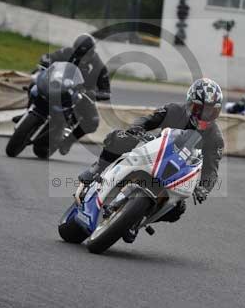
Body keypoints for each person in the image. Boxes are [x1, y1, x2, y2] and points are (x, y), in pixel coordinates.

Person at [77, 78, 225, 241]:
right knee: (120, 137)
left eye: (211, 111)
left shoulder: (215, 137)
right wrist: (137, 128)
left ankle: (137, 220)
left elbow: (212, 168)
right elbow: (148, 119)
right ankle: (96, 170)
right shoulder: (174, 110)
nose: (205, 115)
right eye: (200, 109)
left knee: (177, 210)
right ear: (190, 103)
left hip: (179, 171)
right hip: (155, 151)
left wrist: (204, 187)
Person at [39, 34, 111, 154]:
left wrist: (93, 93)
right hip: (59, 86)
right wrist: (45, 62)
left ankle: (69, 141)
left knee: (93, 121)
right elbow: (49, 57)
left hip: (81, 95)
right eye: (78, 53)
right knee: (35, 86)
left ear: (92, 52)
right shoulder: (67, 52)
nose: (82, 57)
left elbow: (106, 92)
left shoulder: (99, 66)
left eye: (85, 55)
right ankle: (28, 112)